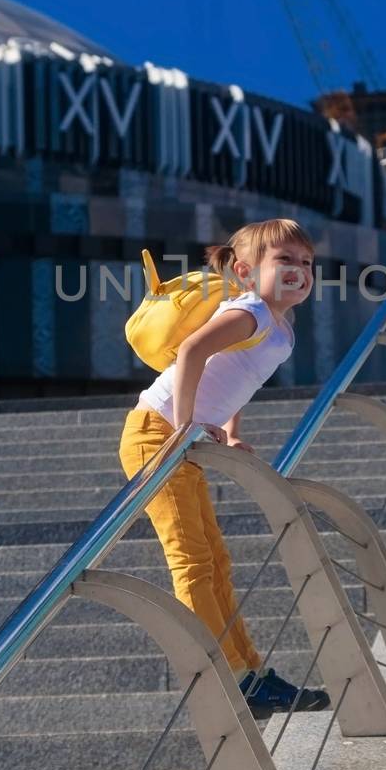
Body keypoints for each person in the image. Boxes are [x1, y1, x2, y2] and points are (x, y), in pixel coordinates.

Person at [119, 218, 330, 718]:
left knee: (216, 562)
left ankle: (250, 672)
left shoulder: (278, 325)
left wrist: (230, 430)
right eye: (285, 261)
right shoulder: (252, 310)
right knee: (192, 561)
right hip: (156, 435)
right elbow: (193, 351)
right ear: (245, 270)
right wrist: (187, 423)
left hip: (177, 438)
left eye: (306, 262)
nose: (299, 270)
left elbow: (239, 379)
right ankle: (228, 675)